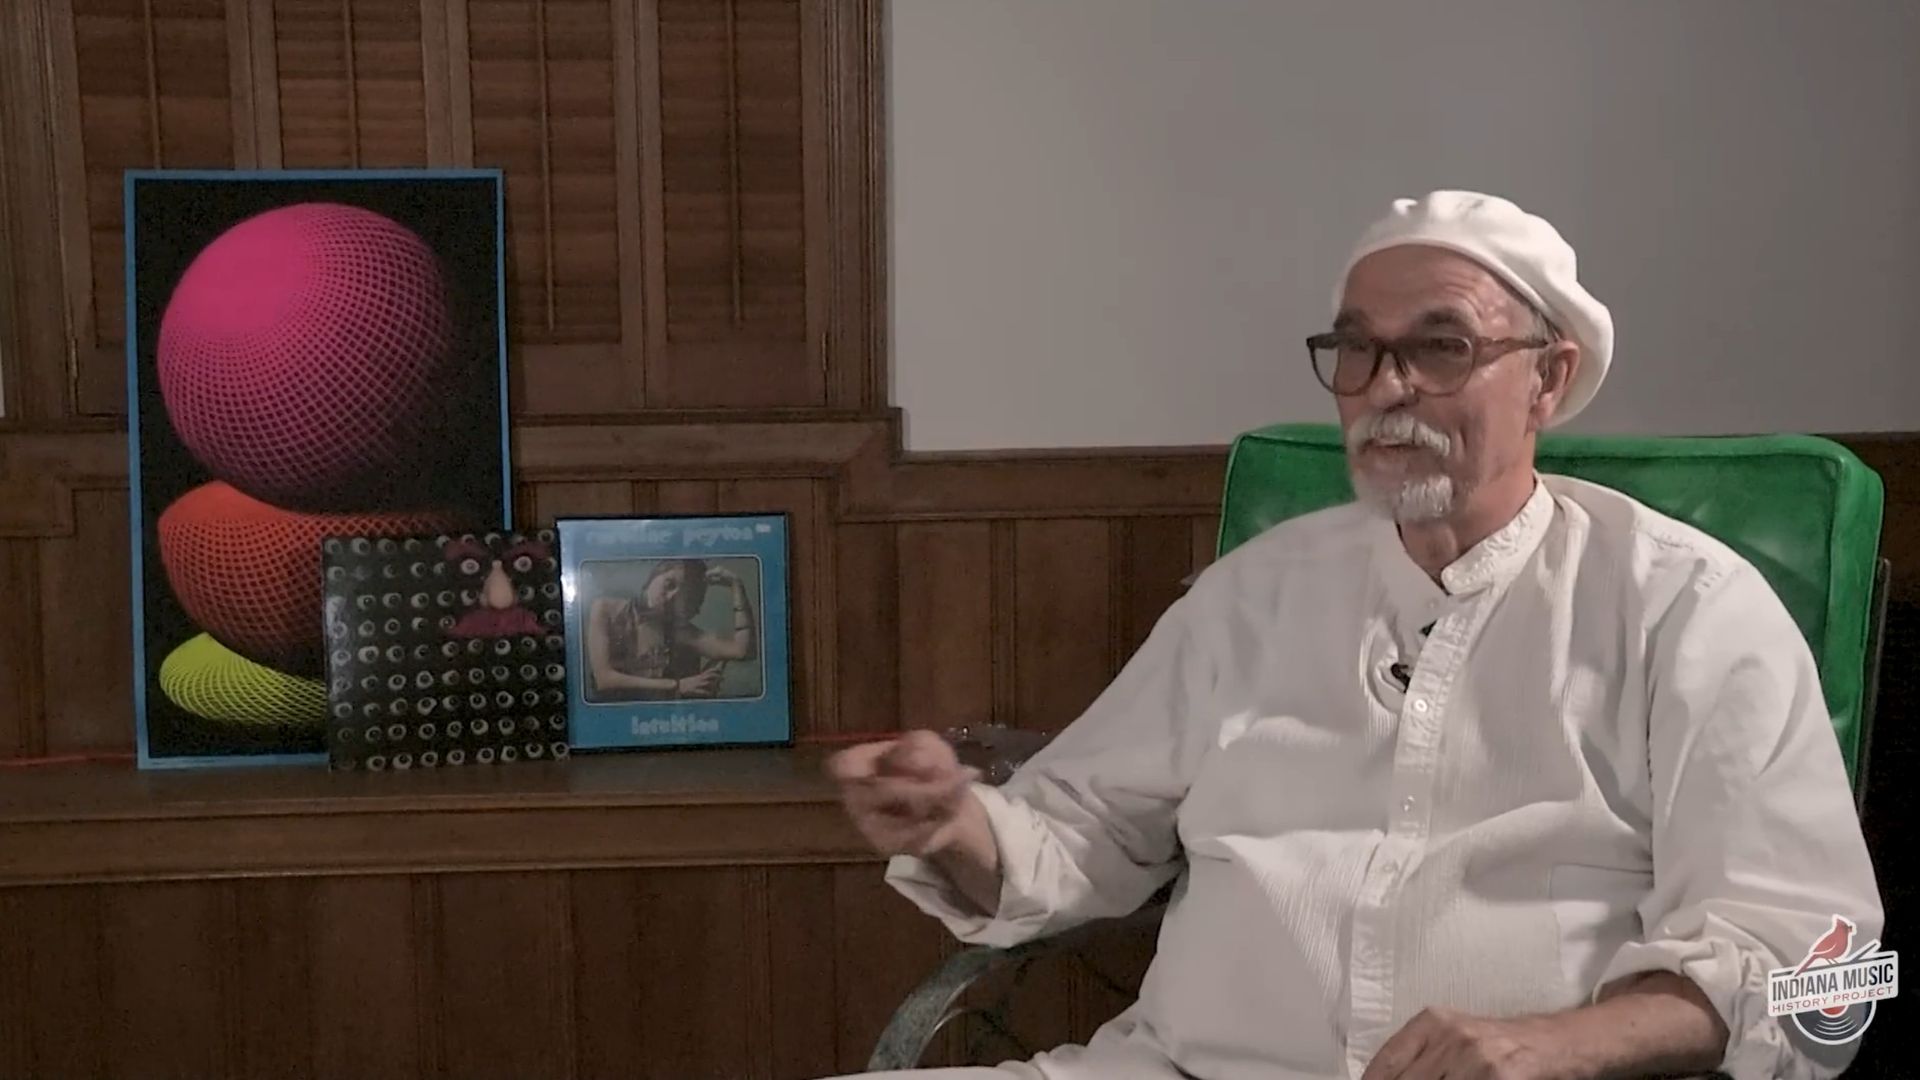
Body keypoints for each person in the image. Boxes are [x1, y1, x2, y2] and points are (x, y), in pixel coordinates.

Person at [825, 191, 1883, 1080]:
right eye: (1358, 351)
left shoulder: (1685, 606)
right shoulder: (1257, 594)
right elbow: (1079, 832)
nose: (1386, 388)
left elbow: (1830, 978)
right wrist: (951, 823)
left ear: (1548, 379)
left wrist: (1556, 1045)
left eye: (1441, 347)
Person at [583, 558, 755, 700]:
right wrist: (678, 685)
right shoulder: (606, 609)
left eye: (684, 596)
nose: (672, 596)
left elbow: (742, 650)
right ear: (653, 578)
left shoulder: (679, 630)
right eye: (669, 583)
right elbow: (604, 678)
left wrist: (737, 587)